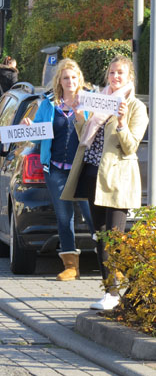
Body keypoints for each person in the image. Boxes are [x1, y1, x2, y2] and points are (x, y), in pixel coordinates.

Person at [61, 55, 147, 310]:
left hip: (117, 180)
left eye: (120, 73)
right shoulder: (100, 101)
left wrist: (121, 123)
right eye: (112, 73)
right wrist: (79, 117)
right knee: (99, 236)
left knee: (114, 238)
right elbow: (86, 139)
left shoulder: (135, 107)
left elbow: (131, 147)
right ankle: (111, 291)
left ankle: (133, 285)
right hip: (92, 176)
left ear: (129, 77)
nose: (115, 77)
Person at [20, 59, 93, 281]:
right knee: (64, 217)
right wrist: (28, 128)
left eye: (73, 77)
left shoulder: (89, 102)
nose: (70, 81)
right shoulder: (48, 105)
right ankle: (71, 266)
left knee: (92, 216)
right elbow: (37, 136)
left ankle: (110, 262)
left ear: (79, 79)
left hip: (83, 169)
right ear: (59, 81)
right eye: (65, 78)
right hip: (56, 169)